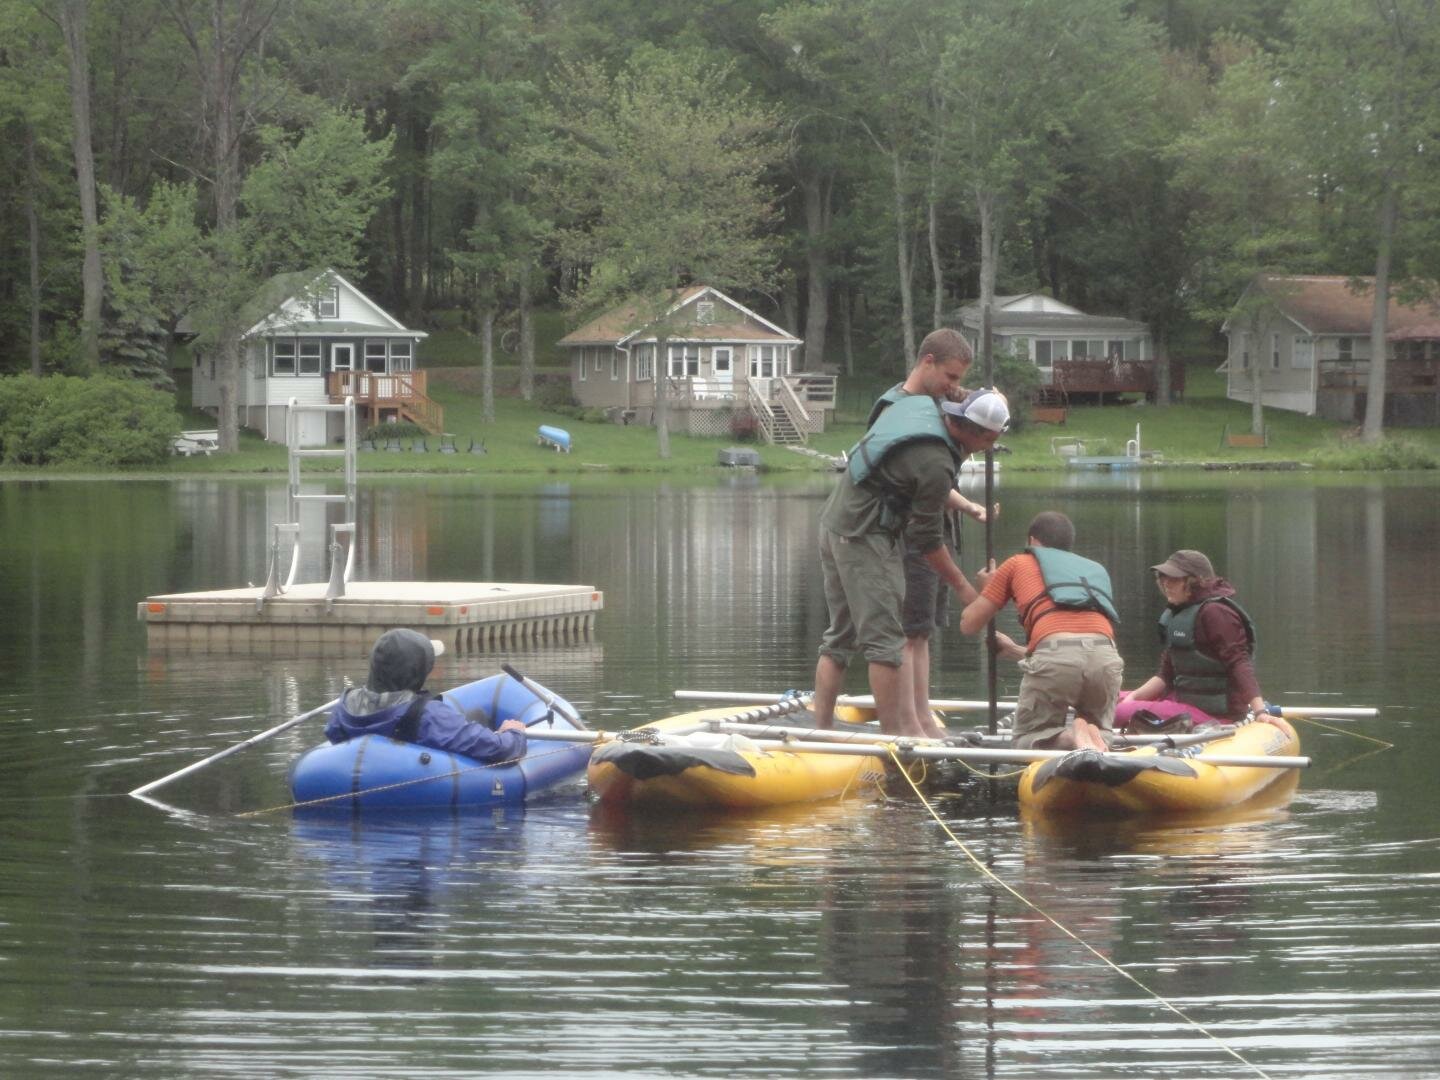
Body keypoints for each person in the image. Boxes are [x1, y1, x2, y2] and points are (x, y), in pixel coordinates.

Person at [812, 388, 1009, 738]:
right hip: (865, 535)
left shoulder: (922, 413)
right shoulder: (936, 458)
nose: (988, 448)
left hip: (839, 525)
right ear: (986, 435)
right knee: (888, 642)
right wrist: (966, 589)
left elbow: (920, 485)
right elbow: (927, 539)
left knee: (843, 635)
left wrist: (965, 506)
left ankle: (824, 729)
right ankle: (898, 740)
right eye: (990, 441)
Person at [863, 328, 996, 735]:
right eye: (952, 377)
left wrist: (967, 505)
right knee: (909, 631)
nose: (955, 386)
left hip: (937, 528)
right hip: (910, 536)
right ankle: (909, 722)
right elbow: (911, 480)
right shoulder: (900, 409)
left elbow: (936, 483)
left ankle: (923, 715)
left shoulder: (936, 403)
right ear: (928, 362)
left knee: (922, 632)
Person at [959, 511, 1122, 752]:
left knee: (1028, 738)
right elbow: (1080, 643)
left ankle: (1070, 739)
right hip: (1106, 657)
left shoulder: (1017, 563)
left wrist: (989, 588)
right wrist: (1016, 650)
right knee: (1100, 733)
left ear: (1033, 541)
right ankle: (1092, 733)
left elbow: (968, 624)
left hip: (1056, 658)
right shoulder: (1094, 568)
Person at [1116, 550, 1288, 733]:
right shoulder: (1177, 614)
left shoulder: (1216, 613)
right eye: (1163, 578)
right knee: (1106, 701)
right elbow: (1164, 676)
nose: (1166, 584)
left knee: (1113, 711)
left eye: (1173, 579)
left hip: (1215, 714)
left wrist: (1260, 711)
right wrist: (1132, 697)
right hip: (1183, 703)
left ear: (1194, 582)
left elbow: (1239, 663)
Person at [325, 628, 528, 761]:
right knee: (479, 718)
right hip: (414, 792)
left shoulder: (343, 708)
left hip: (357, 779)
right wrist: (513, 734)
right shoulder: (428, 716)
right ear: (418, 671)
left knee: (476, 715)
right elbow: (498, 749)